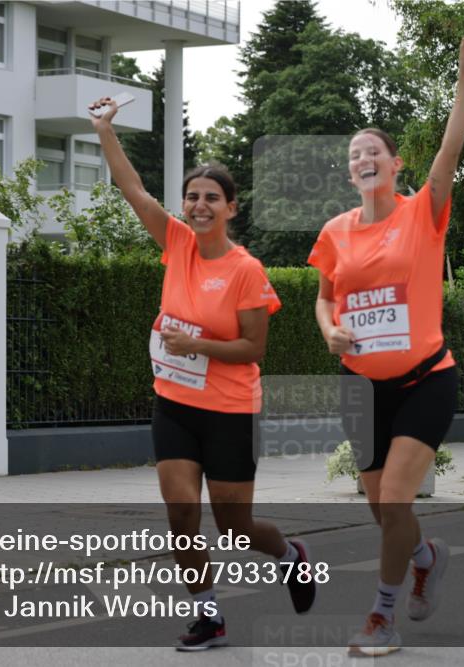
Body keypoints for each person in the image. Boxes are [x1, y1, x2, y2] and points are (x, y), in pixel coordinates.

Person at [89, 97, 316, 651]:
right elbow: (132, 189)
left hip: (232, 409)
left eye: (212, 197)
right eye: (192, 196)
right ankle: (208, 615)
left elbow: (252, 347)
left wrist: (195, 343)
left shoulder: (246, 271)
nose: (199, 205)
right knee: (182, 511)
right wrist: (103, 131)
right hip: (175, 404)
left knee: (235, 527)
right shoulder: (176, 244)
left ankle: (291, 556)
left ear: (231, 208)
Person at [307, 36, 464, 657]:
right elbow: (325, 297)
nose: (363, 159)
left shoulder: (422, 213)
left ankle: (381, 617)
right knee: (382, 512)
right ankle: (426, 554)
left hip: (426, 377)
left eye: (372, 151)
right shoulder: (334, 233)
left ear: (394, 163)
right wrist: (329, 329)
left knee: (394, 498)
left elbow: (452, 147)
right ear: (351, 170)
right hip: (360, 383)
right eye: (355, 154)